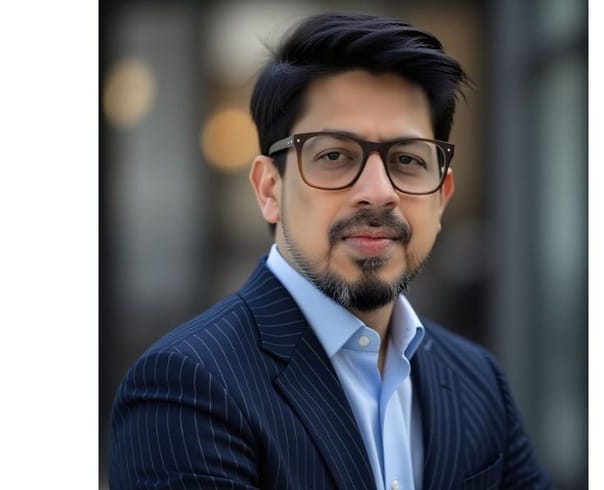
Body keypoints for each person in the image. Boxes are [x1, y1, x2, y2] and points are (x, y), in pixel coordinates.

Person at [109, 12, 550, 490]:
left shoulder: (478, 380)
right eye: (335, 156)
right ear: (269, 189)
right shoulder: (186, 387)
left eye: (407, 159)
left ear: (441, 198)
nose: (378, 192)